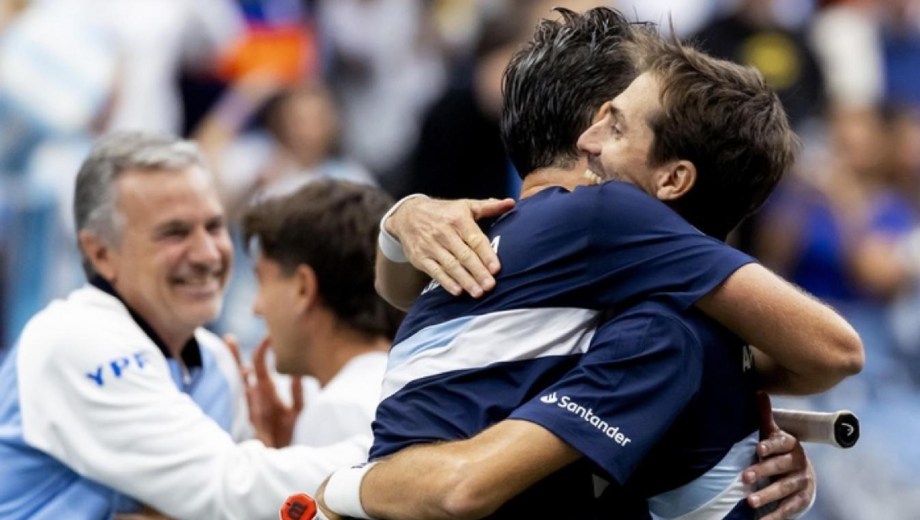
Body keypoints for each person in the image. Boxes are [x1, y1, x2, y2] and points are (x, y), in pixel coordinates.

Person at [316, 8, 862, 520]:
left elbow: (398, 292)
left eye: (617, 123)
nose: (593, 138)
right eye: (607, 118)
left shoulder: (489, 241)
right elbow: (833, 352)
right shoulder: (615, 233)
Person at [0, 131, 373, 519]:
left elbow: (241, 496)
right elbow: (227, 488)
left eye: (214, 226)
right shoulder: (74, 338)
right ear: (100, 252)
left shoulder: (217, 363)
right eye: (174, 233)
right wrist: (393, 459)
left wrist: (281, 456)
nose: (207, 254)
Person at [239, 179, 403, 448]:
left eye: (262, 281)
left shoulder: (337, 410)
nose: (256, 308)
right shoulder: (408, 381)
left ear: (303, 288)